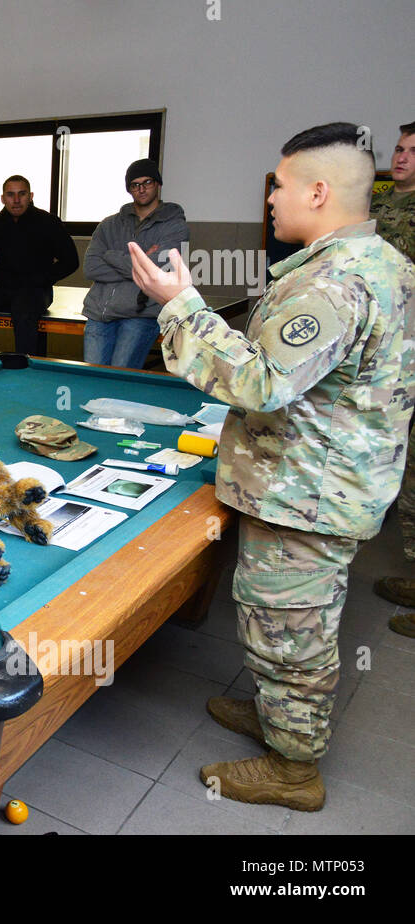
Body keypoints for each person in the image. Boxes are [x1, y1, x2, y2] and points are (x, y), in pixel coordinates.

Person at [130, 122, 415, 812]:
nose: (270, 198)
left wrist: (181, 306)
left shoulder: (336, 283)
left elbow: (263, 384)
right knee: (287, 619)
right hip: (326, 478)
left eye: (280, 186)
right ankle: (278, 716)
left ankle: (295, 768)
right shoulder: (384, 261)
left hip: (308, 493)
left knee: (292, 630)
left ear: (319, 192)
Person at [0, 175, 79, 365]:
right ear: (3, 198)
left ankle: (24, 377)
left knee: (23, 315)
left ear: (30, 195)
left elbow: (71, 261)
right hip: (4, 287)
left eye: (22, 194)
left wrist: (41, 279)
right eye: (10, 195)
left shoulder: (48, 221)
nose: (16, 200)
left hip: (37, 290)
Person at [367, 120, 415, 637]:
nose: (400, 158)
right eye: (399, 149)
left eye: (411, 151)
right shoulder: (379, 206)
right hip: (388, 362)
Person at [83, 158, 189, 368]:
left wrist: (111, 256)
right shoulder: (109, 224)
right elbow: (91, 267)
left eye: (147, 182)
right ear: (129, 189)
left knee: (121, 378)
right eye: (135, 185)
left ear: (157, 184)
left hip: (141, 315)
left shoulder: (175, 226)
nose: (141, 189)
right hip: (100, 313)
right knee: (92, 377)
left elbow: (157, 271)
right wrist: (141, 260)